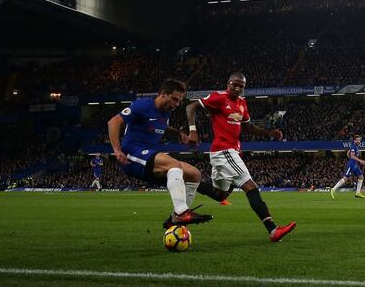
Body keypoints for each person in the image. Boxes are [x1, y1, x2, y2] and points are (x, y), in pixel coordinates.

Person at [185, 72, 296, 242]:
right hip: (224, 151)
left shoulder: (242, 103)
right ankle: (273, 230)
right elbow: (190, 107)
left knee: (220, 195)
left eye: (241, 86)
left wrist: (269, 133)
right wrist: (193, 130)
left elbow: (247, 127)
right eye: (234, 84)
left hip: (229, 152)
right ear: (227, 83)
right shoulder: (219, 97)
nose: (237, 88)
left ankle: (187, 181)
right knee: (250, 187)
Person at [107, 79, 213, 227]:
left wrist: (179, 134)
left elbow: (161, 126)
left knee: (194, 174)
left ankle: (175, 217)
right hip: (132, 154)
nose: (176, 104)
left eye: (179, 101)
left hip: (150, 154)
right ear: (163, 94)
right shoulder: (143, 105)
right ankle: (182, 212)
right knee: (174, 165)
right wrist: (117, 150)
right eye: (174, 99)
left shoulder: (166, 112)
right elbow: (114, 121)